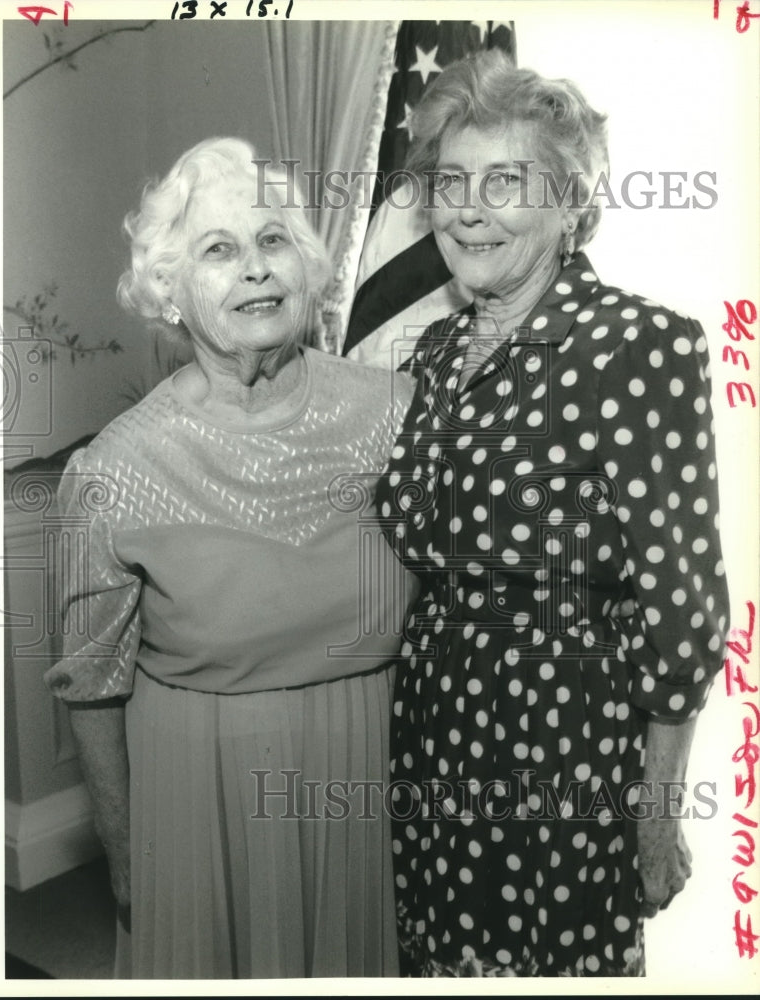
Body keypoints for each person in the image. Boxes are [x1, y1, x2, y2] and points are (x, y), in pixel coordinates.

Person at [375, 52, 730, 977]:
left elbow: (682, 608)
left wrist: (655, 813)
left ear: (570, 202)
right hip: (435, 723)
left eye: (504, 182)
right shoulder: (435, 355)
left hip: (568, 740)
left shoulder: (641, 347)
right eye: (450, 182)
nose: (467, 208)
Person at [44, 137, 417, 979]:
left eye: (273, 241)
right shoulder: (112, 473)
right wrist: (124, 846)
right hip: (199, 798)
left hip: (368, 777)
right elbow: (90, 684)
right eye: (220, 250)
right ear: (170, 291)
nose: (255, 269)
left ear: (308, 269)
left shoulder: (396, 414)